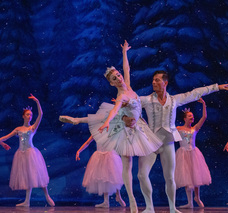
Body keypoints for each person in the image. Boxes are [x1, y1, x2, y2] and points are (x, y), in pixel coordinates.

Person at [59, 40, 162, 213]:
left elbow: (127, 69)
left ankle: (77, 120)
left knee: (142, 163)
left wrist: (124, 53)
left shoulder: (128, 85)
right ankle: (132, 200)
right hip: (126, 130)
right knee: (126, 161)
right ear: (112, 83)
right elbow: (114, 110)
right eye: (115, 78)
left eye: (118, 75)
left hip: (138, 126)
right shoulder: (121, 95)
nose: (119, 77)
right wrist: (107, 123)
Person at [123, 70, 228, 213]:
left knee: (169, 177)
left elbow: (194, 93)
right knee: (142, 175)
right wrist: (123, 105)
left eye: (157, 80)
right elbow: (130, 103)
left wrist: (216, 87)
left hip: (167, 142)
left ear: (165, 83)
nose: (153, 82)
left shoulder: (174, 100)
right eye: (153, 80)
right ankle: (149, 207)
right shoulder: (147, 100)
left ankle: (172, 208)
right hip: (151, 142)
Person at [0, 94, 55, 207]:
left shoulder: (32, 128)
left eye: (31, 115)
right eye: (28, 114)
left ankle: (47, 196)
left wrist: (37, 101)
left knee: (38, 175)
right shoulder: (18, 129)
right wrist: (2, 143)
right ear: (23, 116)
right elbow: (2, 138)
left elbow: (41, 114)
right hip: (21, 154)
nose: (30, 116)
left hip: (31, 153)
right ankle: (27, 201)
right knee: (27, 177)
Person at [174, 98, 211, 209]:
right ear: (185, 118)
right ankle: (190, 202)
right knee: (187, 177)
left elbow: (204, 117)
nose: (192, 117)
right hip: (183, 154)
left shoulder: (195, 128)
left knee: (196, 176)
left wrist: (204, 104)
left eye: (192, 116)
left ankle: (197, 197)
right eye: (189, 116)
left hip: (194, 153)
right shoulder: (178, 128)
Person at [75, 135, 126, 208]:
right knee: (104, 178)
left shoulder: (110, 130)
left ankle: (118, 196)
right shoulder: (96, 132)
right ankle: (106, 201)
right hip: (99, 156)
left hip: (110, 155)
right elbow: (87, 142)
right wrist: (79, 151)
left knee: (113, 175)